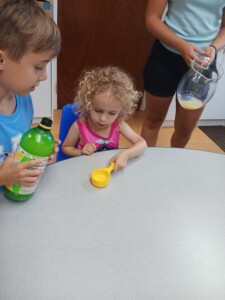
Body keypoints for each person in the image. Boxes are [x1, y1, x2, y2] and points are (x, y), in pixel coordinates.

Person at [141, 0, 225, 148]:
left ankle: (174, 165)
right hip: (165, 57)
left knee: (185, 129)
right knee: (153, 120)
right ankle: (145, 165)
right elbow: (152, 19)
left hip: (203, 63)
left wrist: (214, 47)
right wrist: (180, 45)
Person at [0, 0, 61, 186]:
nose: (44, 77)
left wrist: (37, 150)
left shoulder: (23, 100)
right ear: (1, 60)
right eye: (38, 67)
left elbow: (18, 145)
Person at [62, 66, 147, 171]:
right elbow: (66, 147)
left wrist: (126, 154)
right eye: (98, 110)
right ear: (88, 104)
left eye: (112, 113)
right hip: (84, 170)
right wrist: (81, 152)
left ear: (121, 111)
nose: (103, 119)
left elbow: (142, 144)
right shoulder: (80, 125)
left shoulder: (118, 124)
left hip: (109, 171)